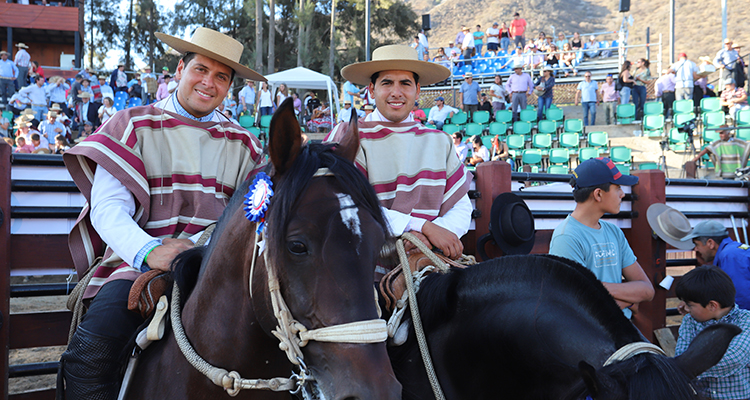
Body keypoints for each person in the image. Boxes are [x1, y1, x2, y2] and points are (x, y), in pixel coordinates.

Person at [58, 28, 267, 399]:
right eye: (200, 70)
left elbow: (256, 217)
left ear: (229, 86)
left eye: (221, 76)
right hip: (139, 265)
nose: (209, 83)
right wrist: (148, 250)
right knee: (89, 357)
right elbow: (108, 210)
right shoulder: (131, 125)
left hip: (220, 268)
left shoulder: (245, 143)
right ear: (179, 69)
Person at [325, 44, 472, 261]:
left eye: (405, 83)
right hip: (363, 270)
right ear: (371, 90)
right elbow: (343, 203)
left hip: (431, 262)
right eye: (387, 83)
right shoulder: (349, 135)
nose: (397, 92)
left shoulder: (439, 141)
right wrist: (419, 227)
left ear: (417, 90)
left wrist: (430, 237)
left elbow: (461, 205)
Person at [549, 157, 655, 319]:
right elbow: (578, 304)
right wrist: (630, 301)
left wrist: (594, 287)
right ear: (598, 194)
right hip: (589, 336)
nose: (622, 194)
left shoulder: (614, 232)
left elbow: (647, 290)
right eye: (617, 187)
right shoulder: (566, 237)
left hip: (621, 329)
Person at [674, 265, 750, 399]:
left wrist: (686, 367)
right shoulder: (690, 321)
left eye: (690, 305)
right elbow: (681, 354)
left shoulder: (746, 321)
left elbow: (733, 359)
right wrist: (683, 365)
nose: (685, 308)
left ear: (712, 305)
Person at [680, 221, 750, 311]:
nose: (696, 249)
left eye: (697, 244)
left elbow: (740, 298)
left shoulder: (730, 256)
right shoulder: (733, 251)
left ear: (710, 243)